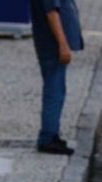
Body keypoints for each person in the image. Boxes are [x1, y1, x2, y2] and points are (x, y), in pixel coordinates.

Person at [29, 0, 84, 155]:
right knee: (54, 92)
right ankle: (48, 137)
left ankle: (52, 133)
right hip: (51, 46)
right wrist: (63, 44)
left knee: (57, 90)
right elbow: (52, 14)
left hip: (49, 45)